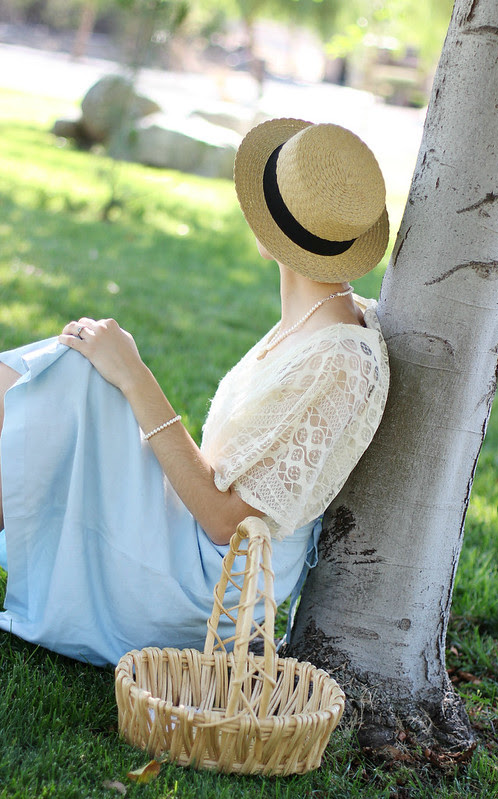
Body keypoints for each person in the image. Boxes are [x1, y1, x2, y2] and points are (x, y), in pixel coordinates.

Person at [0, 118, 390, 666]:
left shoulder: (339, 360)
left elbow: (227, 523)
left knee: (65, 373)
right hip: (195, 544)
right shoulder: (318, 322)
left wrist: (134, 375)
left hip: (210, 584)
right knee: (66, 370)